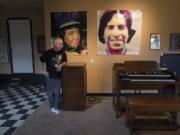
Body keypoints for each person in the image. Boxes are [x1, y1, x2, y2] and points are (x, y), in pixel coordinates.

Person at [40, 38, 67, 114]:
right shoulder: (48, 52)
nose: (62, 45)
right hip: (49, 76)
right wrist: (43, 71)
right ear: (55, 44)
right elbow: (41, 61)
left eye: (62, 44)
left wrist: (61, 65)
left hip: (58, 76)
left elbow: (65, 61)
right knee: (50, 93)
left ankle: (56, 106)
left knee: (58, 92)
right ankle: (52, 106)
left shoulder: (63, 53)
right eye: (60, 44)